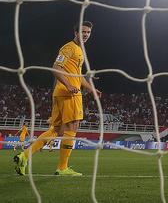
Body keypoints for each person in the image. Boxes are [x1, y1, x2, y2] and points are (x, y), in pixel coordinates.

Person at [14, 21, 102, 176]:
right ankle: (62, 168)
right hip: (69, 94)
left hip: (62, 93)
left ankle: (24, 156)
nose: (86, 35)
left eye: (88, 32)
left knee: (57, 130)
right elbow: (56, 68)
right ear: (75, 33)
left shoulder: (79, 51)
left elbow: (78, 76)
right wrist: (68, 85)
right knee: (72, 128)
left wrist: (91, 89)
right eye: (82, 32)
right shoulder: (69, 48)